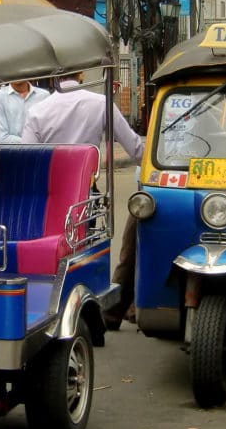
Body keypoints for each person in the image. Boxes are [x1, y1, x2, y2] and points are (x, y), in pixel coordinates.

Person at [22, 73, 144, 329]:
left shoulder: (38, 111)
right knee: (79, 252)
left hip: (48, 199)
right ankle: (79, 310)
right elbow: (135, 148)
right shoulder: (100, 104)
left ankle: (48, 310)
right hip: (83, 197)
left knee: (53, 252)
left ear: (55, 77)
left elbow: (27, 159)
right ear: (80, 75)